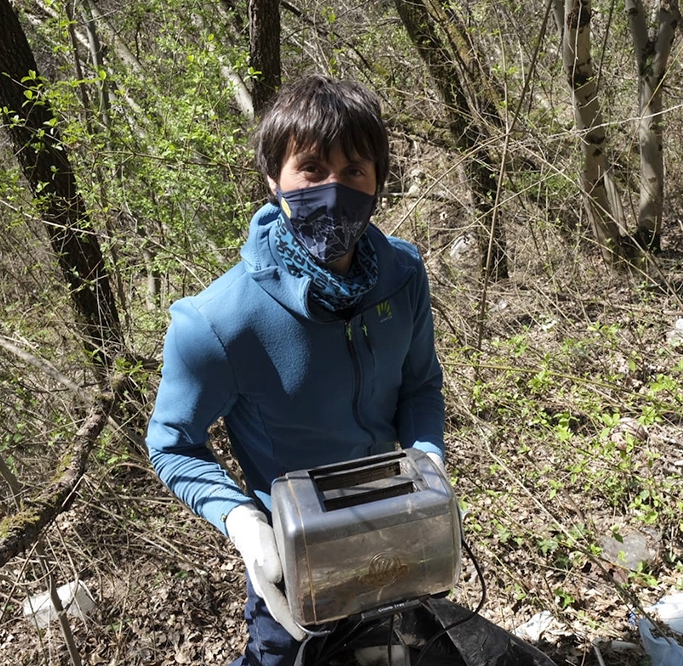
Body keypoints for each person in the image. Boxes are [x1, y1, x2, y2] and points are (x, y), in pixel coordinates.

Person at [145, 75, 446, 666]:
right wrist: (243, 523)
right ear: (273, 180)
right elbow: (172, 442)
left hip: (398, 527)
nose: (334, 189)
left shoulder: (403, 274)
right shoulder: (218, 322)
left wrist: (427, 458)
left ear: (379, 181)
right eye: (311, 168)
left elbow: (420, 385)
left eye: (355, 170)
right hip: (294, 554)